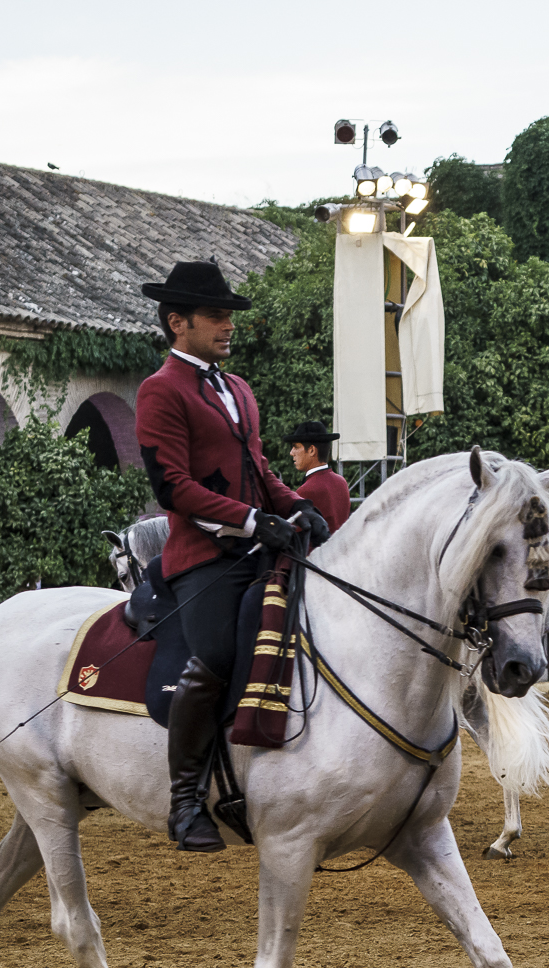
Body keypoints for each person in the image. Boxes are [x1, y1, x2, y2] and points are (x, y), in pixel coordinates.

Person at [137, 259, 326, 852]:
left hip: (257, 543)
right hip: (203, 556)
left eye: (228, 316)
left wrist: (296, 504)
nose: (228, 325)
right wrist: (249, 520)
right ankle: (186, 798)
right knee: (216, 654)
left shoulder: (237, 386)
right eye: (216, 316)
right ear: (178, 322)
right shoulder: (159, 390)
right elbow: (172, 486)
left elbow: (258, 468)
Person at [287, 421, 351, 532]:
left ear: (311, 450)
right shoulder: (341, 482)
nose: (291, 452)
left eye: (296, 447)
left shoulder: (306, 490)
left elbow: (300, 539)